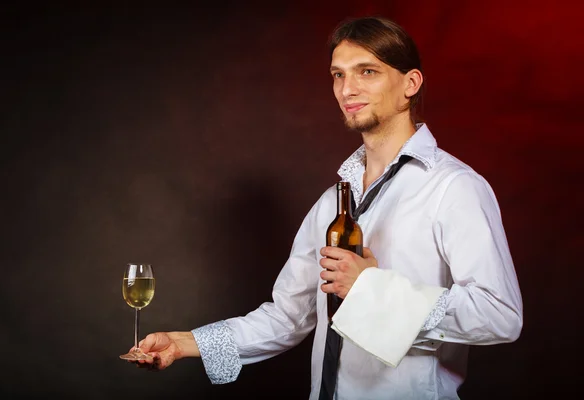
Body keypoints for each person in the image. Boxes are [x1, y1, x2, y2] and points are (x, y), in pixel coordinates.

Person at [129, 16, 523, 399]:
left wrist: (372, 289)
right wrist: (184, 343)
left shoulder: (454, 187)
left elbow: (500, 315)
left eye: (367, 71)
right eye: (338, 74)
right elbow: (288, 316)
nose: (347, 89)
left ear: (411, 83)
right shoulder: (330, 205)